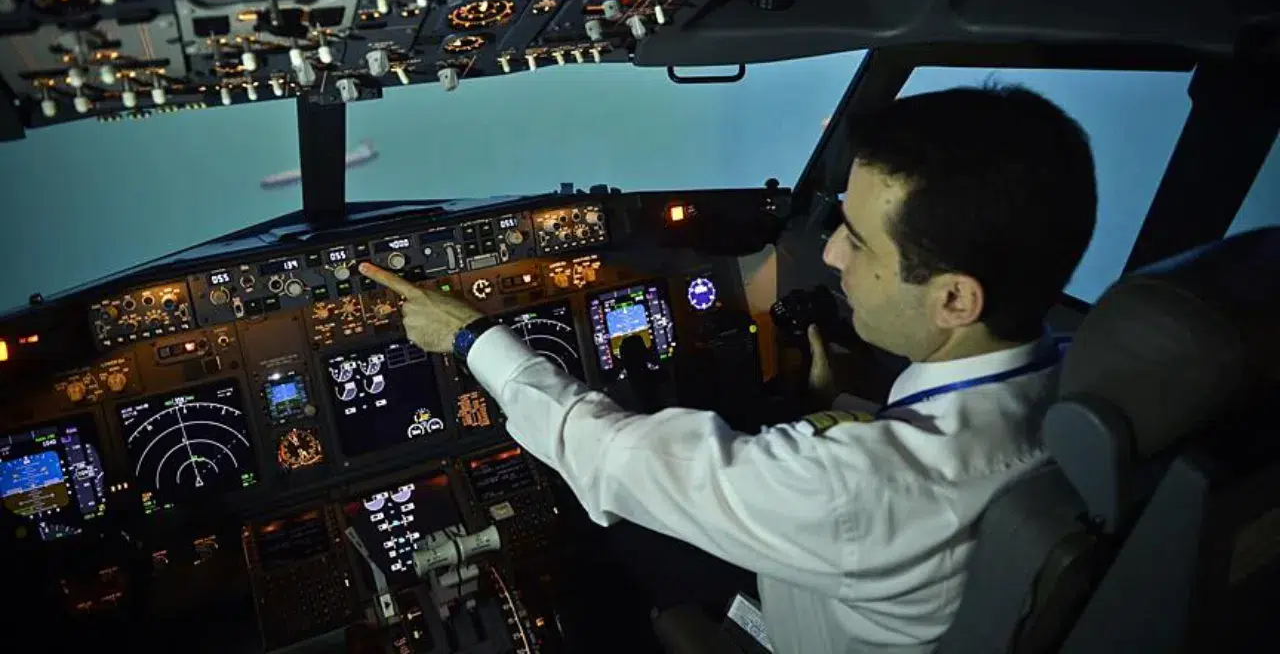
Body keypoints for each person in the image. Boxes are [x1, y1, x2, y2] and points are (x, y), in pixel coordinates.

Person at [358, 82, 1098, 654]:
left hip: (795, 620)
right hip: (841, 586)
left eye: (858, 240)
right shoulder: (1072, 380)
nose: (830, 252)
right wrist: (840, 405)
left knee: (610, 553)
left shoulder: (862, 486)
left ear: (955, 299)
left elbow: (609, 458)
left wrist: (469, 336)